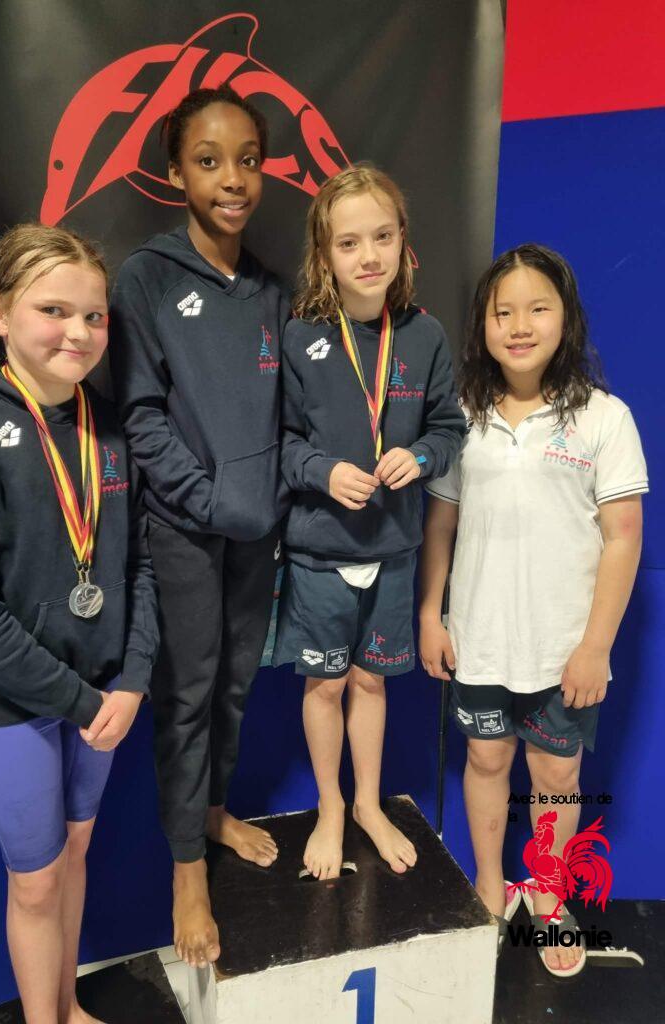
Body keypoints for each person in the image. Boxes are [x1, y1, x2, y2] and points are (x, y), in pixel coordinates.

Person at [0, 223, 158, 1024]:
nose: (78, 332)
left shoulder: (108, 429)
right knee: (37, 878)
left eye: (94, 316)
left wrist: (133, 678)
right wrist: (86, 703)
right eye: (54, 310)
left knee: (76, 851)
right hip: (11, 706)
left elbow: (141, 567)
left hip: (104, 698)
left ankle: (68, 1005)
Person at [419, 243, 647, 975]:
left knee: (555, 777)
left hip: (563, 651)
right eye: (503, 312)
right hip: (480, 640)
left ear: (565, 318)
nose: (519, 326)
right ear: (483, 325)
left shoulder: (604, 418)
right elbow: (441, 524)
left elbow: (623, 538)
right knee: (485, 760)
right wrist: (430, 614)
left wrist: (595, 648)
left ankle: (549, 898)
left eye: (537, 309)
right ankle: (488, 888)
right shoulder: (460, 418)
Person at [109, 84, 288, 969]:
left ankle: (213, 814)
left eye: (247, 160)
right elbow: (140, 417)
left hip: (258, 535)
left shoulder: (272, 290)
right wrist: (211, 501)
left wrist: (268, 502)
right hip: (183, 529)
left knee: (236, 686)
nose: (232, 180)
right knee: (186, 695)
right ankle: (187, 872)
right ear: (176, 172)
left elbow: (287, 414)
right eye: (210, 161)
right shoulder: (143, 278)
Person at [272, 164, 466, 880]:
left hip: (393, 550)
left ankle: (367, 804)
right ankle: (330, 805)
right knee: (324, 686)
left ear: (403, 241)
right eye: (349, 243)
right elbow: (280, 442)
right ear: (324, 254)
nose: (368, 256)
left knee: (372, 683)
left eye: (382, 237)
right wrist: (321, 471)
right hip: (320, 552)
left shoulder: (425, 334)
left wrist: (422, 455)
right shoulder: (302, 336)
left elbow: (449, 426)